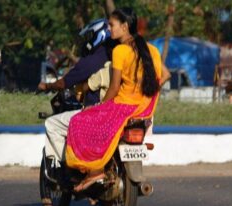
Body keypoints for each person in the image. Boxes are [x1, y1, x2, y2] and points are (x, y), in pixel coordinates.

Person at [65, 8, 164, 192]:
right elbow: (165, 75)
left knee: (79, 120)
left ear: (125, 27)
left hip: (124, 107)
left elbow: (114, 87)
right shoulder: (152, 49)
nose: (109, 29)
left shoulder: (120, 50)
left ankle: (95, 170)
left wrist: (100, 107)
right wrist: (144, 90)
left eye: (112, 25)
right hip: (144, 108)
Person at [38, 18, 117, 167]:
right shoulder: (119, 55)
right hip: (120, 112)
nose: (87, 42)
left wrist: (46, 86)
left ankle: (66, 167)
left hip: (97, 111)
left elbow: (64, 83)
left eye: (89, 37)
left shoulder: (93, 60)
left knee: (51, 123)